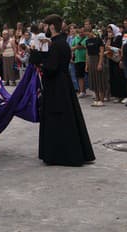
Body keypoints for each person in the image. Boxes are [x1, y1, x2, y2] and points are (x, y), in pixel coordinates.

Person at [27, 14, 94, 166]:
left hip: (56, 86)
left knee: (58, 118)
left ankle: (60, 154)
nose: (44, 30)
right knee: (66, 117)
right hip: (63, 84)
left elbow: (51, 67)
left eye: (45, 26)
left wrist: (36, 58)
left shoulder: (57, 44)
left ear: (51, 27)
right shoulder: (59, 42)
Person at [85, 26, 108, 106]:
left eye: (88, 33)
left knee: (100, 79)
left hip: (97, 58)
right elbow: (87, 53)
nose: (88, 35)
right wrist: (86, 64)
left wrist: (100, 63)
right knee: (93, 79)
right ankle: (97, 98)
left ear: (92, 32)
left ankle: (102, 99)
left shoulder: (98, 40)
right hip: (91, 60)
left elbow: (101, 52)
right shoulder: (87, 41)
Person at [107, 24, 127, 103]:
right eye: (108, 31)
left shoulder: (119, 37)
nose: (109, 33)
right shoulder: (112, 38)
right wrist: (109, 38)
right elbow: (107, 46)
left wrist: (112, 48)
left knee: (120, 77)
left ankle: (123, 95)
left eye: (110, 31)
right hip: (112, 59)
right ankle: (116, 95)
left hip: (118, 60)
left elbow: (120, 48)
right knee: (113, 78)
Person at [70, 25, 88, 98]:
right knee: (80, 76)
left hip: (86, 59)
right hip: (78, 59)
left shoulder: (87, 38)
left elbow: (87, 47)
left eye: (82, 32)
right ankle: (82, 91)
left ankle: (87, 90)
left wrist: (80, 47)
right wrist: (77, 47)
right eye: (79, 32)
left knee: (87, 75)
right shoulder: (76, 38)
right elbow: (72, 48)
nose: (81, 33)